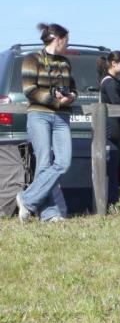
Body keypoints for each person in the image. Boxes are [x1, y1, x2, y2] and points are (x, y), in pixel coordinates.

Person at [16, 22, 77, 223]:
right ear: (57, 39)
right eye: (66, 41)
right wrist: (56, 101)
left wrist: (71, 97)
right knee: (44, 163)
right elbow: (30, 90)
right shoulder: (31, 59)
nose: (67, 45)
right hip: (39, 115)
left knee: (63, 162)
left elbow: (73, 87)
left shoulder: (65, 62)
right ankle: (49, 214)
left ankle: (26, 198)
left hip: (61, 117)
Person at [97, 50, 120, 207]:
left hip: (115, 128)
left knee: (115, 164)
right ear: (113, 63)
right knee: (110, 165)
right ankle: (110, 200)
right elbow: (117, 105)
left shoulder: (113, 81)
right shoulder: (109, 82)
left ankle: (113, 198)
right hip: (110, 128)